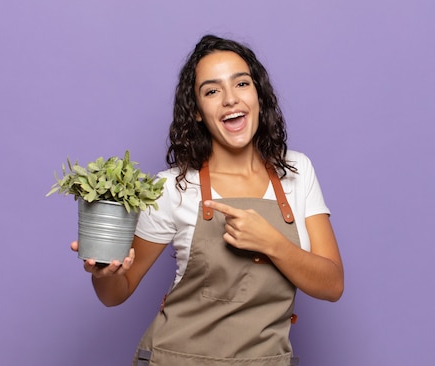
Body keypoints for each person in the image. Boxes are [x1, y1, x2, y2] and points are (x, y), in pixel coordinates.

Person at [71, 34, 344, 366]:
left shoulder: (296, 171)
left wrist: (272, 243)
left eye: (241, 83)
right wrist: (104, 273)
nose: (230, 99)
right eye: (212, 91)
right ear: (198, 112)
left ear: (258, 95)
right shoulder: (173, 187)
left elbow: (332, 284)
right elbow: (118, 292)